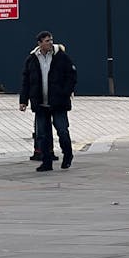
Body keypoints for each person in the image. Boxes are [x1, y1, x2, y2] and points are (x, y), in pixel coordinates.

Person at [19, 31, 77, 171]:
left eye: (51, 40)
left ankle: (67, 155)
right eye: (46, 41)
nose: (50, 42)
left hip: (58, 102)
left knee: (62, 131)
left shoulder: (61, 57)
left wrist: (65, 93)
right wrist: (24, 100)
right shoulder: (32, 59)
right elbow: (26, 81)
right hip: (40, 103)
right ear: (39, 43)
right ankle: (46, 162)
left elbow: (72, 76)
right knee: (43, 135)